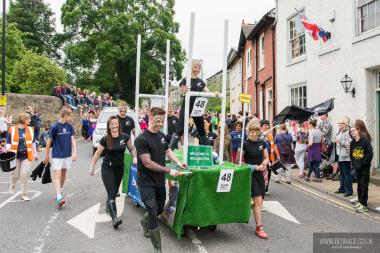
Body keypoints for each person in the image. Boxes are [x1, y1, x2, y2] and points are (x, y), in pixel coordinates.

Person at [134, 107, 186, 252]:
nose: (160, 123)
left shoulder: (162, 136)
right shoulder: (141, 139)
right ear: (149, 119)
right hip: (146, 183)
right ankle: (158, 249)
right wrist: (169, 170)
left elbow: (168, 151)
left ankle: (144, 221)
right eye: (157, 120)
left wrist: (177, 162)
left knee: (158, 209)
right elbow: (147, 163)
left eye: (162, 120)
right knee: (152, 211)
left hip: (159, 181)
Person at [89, 116, 137, 228]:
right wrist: (92, 167)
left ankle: (108, 205)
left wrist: (134, 157)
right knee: (112, 193)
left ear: (119, 125)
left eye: (116, 123)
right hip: (107, 168)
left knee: (114, 192)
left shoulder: (124, 137)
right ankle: (115, 218)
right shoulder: (105, 139)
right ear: (109, 126)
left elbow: (132, 149)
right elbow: (97, 154)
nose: (114, 126)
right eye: (112, 124)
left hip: (119, 169)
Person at [169, 59, 218, 149]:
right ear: (191, 68)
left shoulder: (201, 82)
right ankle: (169, 152)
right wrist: (183, 91)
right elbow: (181, 93)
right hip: (186, 107)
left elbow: (208, 92)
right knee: (180, 129)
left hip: (197, 108)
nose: (197, 69)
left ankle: (207, 153)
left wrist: (215, 93)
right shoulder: (186, 80)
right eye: (195, 67)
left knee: (201, 130)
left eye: (199, 67)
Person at [237, 122, 269, 239]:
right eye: (252, 131)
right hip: (250, 174)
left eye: (256, 131)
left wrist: (263, 164)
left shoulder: (262, 142)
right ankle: (259, 227)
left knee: (260, 201)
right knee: (258, 200)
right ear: (248, 131)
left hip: (261, 174)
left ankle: (249, 205)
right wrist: (252, 166)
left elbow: (266, 157)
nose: (254, 134)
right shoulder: (244, 144)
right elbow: (238, 161)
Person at [44, 108, 77, 208]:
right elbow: (49, 142)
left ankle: (60, 191)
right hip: (57, 155)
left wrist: (74, 151)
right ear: (65, 116)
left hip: (67, 154)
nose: (71, 118)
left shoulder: (69, 126)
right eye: (70, 116)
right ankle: (59, 197)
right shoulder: (54, 127)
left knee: (64, 174)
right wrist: (46, 156)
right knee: (57, 175)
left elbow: (73, 139)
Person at [7, 113, 38, 201]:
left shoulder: (30, 130)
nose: (30, 120)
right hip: (15, 155)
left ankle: (24, 194)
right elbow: (8, 142)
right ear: (24, 120)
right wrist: (8, 149)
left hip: (26, 156)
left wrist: (35, 154)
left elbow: (33, 143)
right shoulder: (12, 129)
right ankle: (12, 185)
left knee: (24, 175)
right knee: (15, 175)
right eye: (28, 119)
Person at [350, 120, 373, 213]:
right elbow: (351, 155)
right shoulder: (352, 143)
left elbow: (369, 154)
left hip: (364, 168)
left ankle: (364, 205)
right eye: (351, 131)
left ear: (358, 130)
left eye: (354, 130)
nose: (352, 133)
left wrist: (363, 164)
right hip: (357, 168)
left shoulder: (365, 141)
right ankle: (360, 202)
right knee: (359, 186)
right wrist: (354, 164)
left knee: (364, 186)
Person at [333, 117, 353, 197]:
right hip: (340, 155)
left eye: (340, 123)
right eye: (339, 123)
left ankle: (348, 190)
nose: (339, 125)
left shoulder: (348, 132)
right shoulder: (340, 131)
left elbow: (349, 143)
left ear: (345, 124)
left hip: (346, 156)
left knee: (346, 173)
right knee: (341, 173)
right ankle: (342, 188)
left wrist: (340, 142)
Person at [259, 119, 279, 195]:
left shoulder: (270, 136)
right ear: (261, 126)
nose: (266, 126)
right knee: (261, 174)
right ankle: (261, 188)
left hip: (269, 158)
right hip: (261, 159)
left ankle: (266, 188)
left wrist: (274, 159)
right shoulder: (259, 135)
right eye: (265, 125)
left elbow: (272, 147)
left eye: (267, 125)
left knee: (269, 174)